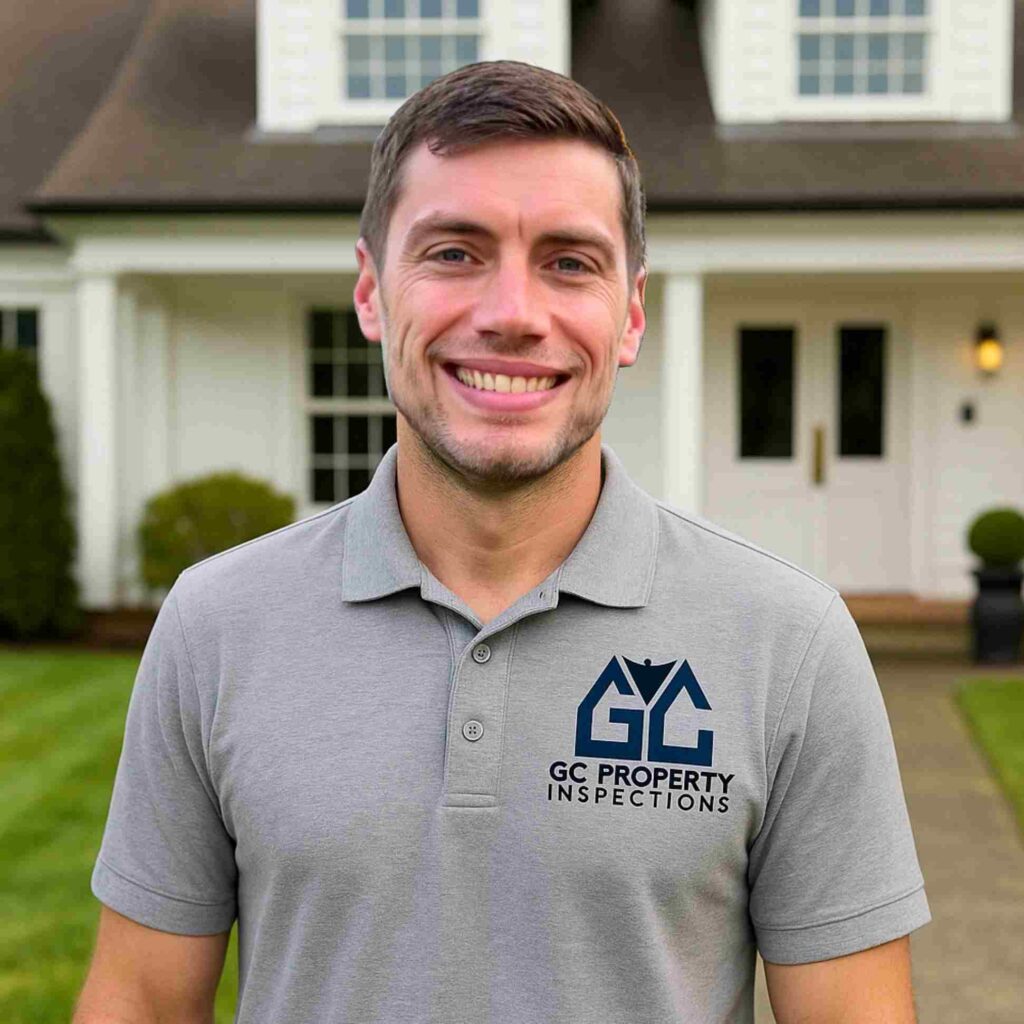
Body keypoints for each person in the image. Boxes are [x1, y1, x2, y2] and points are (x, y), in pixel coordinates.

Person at [74, 60, 930, 1023]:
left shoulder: (790, 642)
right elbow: (141, 1001)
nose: (513, 315)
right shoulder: (217, 624)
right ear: (371, 292)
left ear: (631, 313)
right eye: (453, 252)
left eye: (569, 261)